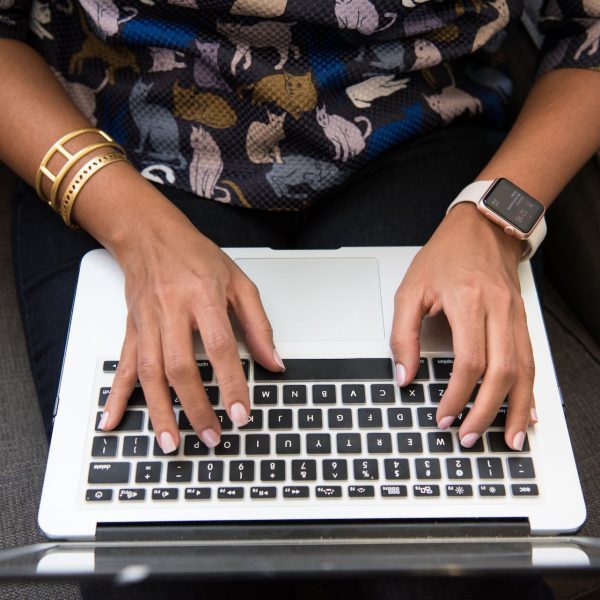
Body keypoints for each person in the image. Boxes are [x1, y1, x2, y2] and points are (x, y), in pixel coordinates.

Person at [0, 1, 598, 596]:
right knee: (172, 560)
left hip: (421, 125)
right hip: (123, 142)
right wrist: (137, 230)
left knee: (447, 560)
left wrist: (496, 217)